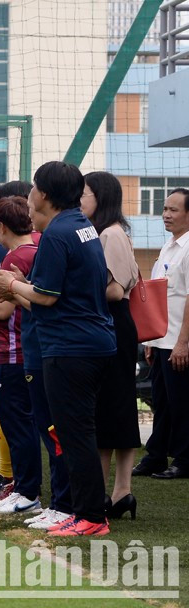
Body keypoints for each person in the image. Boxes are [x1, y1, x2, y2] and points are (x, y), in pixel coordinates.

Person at [0, 161, 116, 537]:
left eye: (32, 189)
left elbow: (45, 297)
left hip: (71, 347)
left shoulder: (59, 232)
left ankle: (89, 515)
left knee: (72, 434)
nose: (28, 197)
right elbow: (55, 291)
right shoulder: (80, 225)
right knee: (75, 433)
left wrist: (12, 285)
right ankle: (81, 511)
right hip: (90, 342)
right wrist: (21, 284)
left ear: (43, 194)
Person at [81, 171, 143, 515]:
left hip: (114, 325)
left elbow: (115, 290)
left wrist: (72, 291)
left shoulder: (110, 234)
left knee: (113, 407)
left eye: (85, 194)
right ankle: (117, 492)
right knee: (112, 406)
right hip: (109, 325)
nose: (80, 201)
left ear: (100, 197)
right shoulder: (103, 233)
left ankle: (119, 490)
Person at [138, 188, 189, 481]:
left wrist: (183, 342)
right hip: (161, 339)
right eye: (165, 208)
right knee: (162, 402)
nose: (166, 215)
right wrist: (150, 338)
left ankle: (184, 459)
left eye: (174, 210)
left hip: (178, 342)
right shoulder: (169, 245)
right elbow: (159, 294)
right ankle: (156, 456)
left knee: (181, 403)